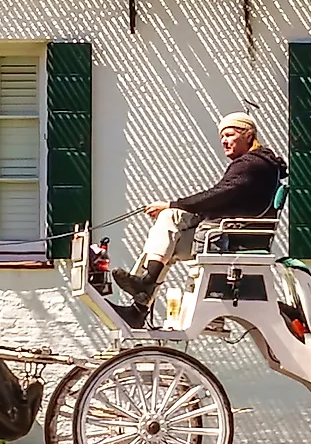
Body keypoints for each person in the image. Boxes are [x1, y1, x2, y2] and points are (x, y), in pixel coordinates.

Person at [103, 112, 287, 323]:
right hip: (226, 233)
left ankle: (144, 287)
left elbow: (218, 195)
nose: (224, 141)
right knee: (168, 241)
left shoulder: (253, 164)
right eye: (222, 137)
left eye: (229, 135)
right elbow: (224, 197)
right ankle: (139, 305)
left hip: (231, 238)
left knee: (169, 216)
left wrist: (174, 204)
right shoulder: (258, 164)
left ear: (248, 135)